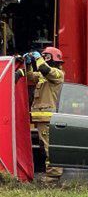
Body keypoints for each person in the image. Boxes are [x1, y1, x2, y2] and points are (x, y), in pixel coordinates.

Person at [24, 47, 66, 181]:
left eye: (46, 57)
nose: (44, 59)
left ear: (54, 59)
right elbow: (30, 76)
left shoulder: (58, 73)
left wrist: (37, 58)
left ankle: (54, 175)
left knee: (50, 146)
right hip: (41, 116)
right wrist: (29, 63)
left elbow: (45, 69)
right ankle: (52, 172)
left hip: (49, 117)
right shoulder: (42, 76)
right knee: (45, 146)